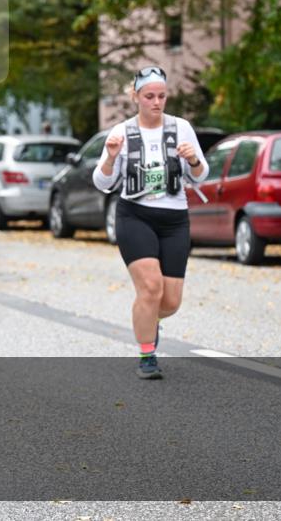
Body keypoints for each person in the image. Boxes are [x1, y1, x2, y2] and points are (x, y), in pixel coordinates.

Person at [93, 66, 208, 380]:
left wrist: (194, 160)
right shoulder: (121, 133)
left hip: (174, 219)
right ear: (136, 97)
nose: (156, 102)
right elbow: (102, 183)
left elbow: (201, 175)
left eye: (161, 96)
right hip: (135, 215)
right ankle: (147, 354)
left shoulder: (181, 128)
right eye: (149, 96)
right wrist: (111, 157)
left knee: (170, 301)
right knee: (150, 288)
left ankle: (148, 320)